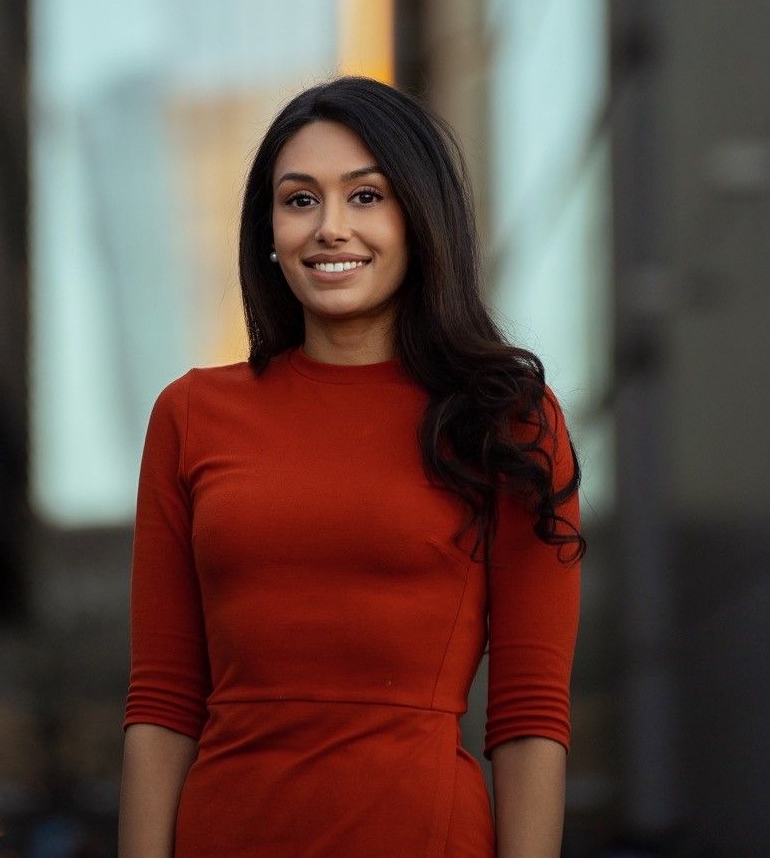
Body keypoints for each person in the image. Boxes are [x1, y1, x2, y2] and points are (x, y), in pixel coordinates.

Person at [118, 75, 585, 857]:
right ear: (268, 228)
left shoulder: (507, 418)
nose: (330, 227)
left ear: (418, 216)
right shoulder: (191, 414)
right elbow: (162, 701)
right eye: (300, 200)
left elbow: (530, 711)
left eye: (365, 197)